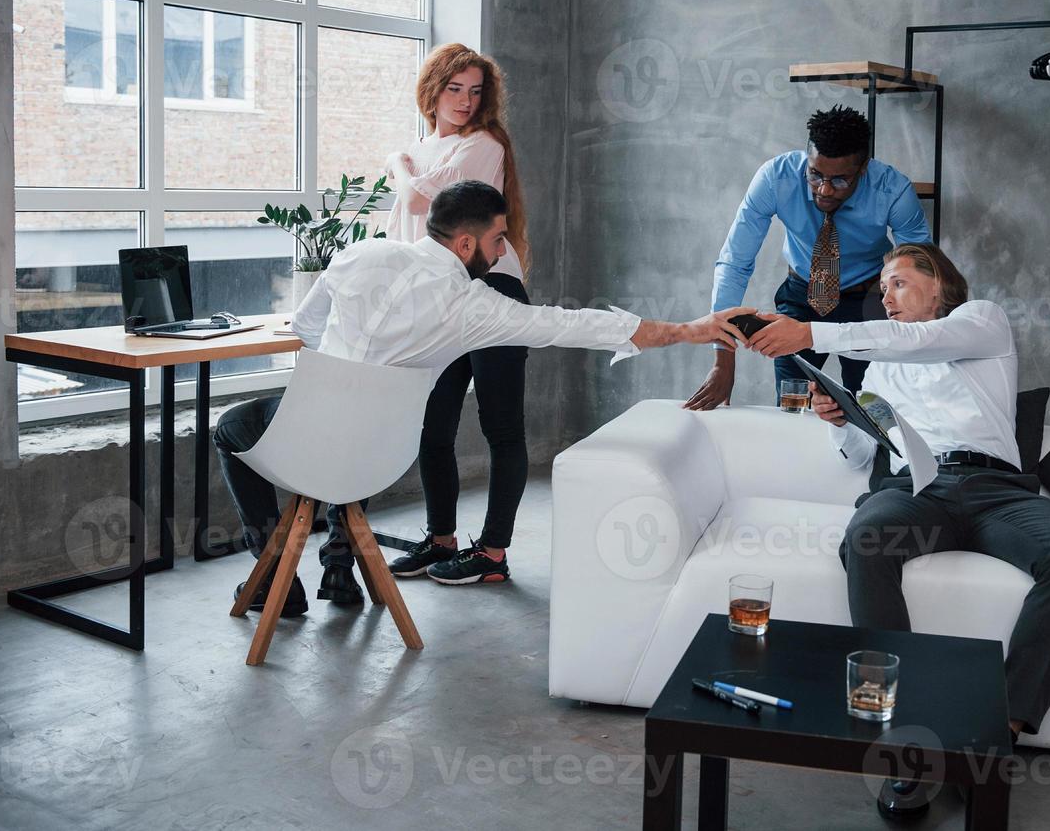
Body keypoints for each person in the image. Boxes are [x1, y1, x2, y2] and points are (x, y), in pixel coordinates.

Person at [214, 182, 752, 617]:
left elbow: (307, 327)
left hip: (306, 445)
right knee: (359, 428)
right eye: (499, 241)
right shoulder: (472, 306)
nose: (503, 253)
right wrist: (689, 329)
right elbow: (573, 325)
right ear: (466, 244)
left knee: (232, 425)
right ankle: (334, 559)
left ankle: (274, 572)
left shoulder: (359, 254)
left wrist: (349, 366)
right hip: (378, 460)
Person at [747, 242, 1050, 813]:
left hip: (996, 491)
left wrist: (811, 334)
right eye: (881, 288)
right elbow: (861, 455)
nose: (884, 298)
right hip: (915, 492)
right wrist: (839, 420)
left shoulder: (979, 321)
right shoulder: (881, 368)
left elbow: (920, 342)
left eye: (897, 283)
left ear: (937, 283)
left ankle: (997, 731)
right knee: (867, 539)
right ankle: (906, 734)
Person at [377, 43, 538, 591]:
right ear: (433, 90)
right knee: (433, 425)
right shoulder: (431, 147)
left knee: (500, 426)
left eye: (476, 91)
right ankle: (440, 541)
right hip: (442, 296)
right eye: (455, 89)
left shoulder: (483, 145)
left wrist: (397, 164)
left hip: (493, 288)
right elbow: (406, 232)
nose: (466, 101)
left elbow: (424, 203)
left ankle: (493, 554)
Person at [685, 104, 931, 411]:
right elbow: (735, 263)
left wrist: (920, 357)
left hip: (868, 301)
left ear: (863, 169)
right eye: (815, 175)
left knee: (871, 411)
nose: (825, 189)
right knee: (792, 407)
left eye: (841, 180)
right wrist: (724, 358)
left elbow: (920, 273)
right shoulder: (776, 178)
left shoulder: (892, 190)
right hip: (802, 296)